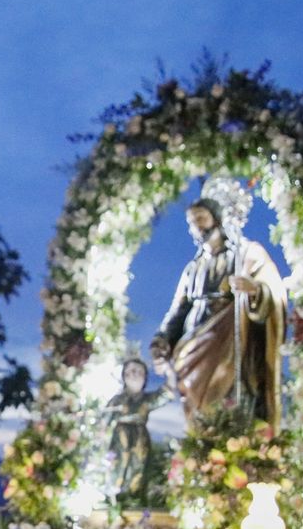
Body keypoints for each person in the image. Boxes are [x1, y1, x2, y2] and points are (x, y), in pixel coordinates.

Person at [149, 178, 285, 432]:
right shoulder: (193, 268)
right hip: (192, 345)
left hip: (229, 341)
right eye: (191, 223)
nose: (196, 227)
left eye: (201, 219)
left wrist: (253, 289)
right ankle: (203, 455)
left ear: (217, 219)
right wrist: (161, 340)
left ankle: (230, 452)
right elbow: (178, 310)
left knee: (225, 399)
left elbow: (273, 290)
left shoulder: (245, 254)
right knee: (198, 413)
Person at [104, 357, 170, 505]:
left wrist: (169, 371)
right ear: (124, 375)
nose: (134, 375)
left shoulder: (147, 399)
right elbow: (104, 422)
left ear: (145, 377)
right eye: (131, 371)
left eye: (139, 371)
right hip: (119, 440)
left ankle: (135, 500)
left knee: (139, 469)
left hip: (140, 441)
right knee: (117, 468)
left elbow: (167, 393)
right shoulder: (117, 400)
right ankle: (114, 501)